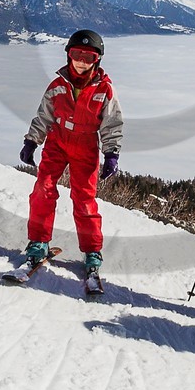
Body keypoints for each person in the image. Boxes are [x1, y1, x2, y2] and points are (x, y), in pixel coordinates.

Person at [19, 29, 123, 274]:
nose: (81, 62)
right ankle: (38, 242)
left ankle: (92, 250)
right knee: (42, 190)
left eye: (88, 57)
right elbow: (44, 115)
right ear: (68, 55)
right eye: (77, 54)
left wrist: (111, 153)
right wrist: (32, 141)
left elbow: (112, 123)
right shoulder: (57, 85)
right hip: (57, 140)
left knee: (84, 199)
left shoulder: (104, 90)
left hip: (86, 145)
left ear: (97, 60)